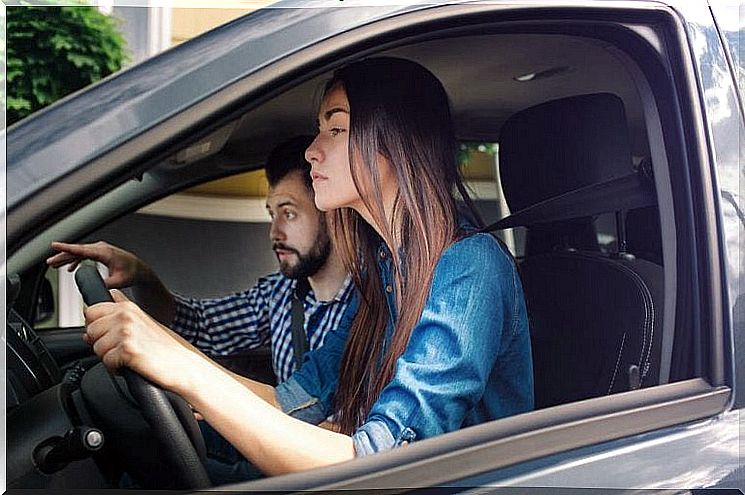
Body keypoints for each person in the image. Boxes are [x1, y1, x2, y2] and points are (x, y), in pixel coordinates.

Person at [79, 57, 534, 480]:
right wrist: (161, 349)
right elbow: (292, 400)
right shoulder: (384, 274)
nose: (313, 151)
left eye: (335, 129)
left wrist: (182, 369)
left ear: (397, 144)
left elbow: (382, 466)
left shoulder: (469, 268)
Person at [47, 135, 354, 385]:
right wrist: (142, 275)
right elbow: (199, 326)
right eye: (271, 215)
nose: (274, 232)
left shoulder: (373, 304)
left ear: (332, 214)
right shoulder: (280, 294)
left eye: (289, 213)